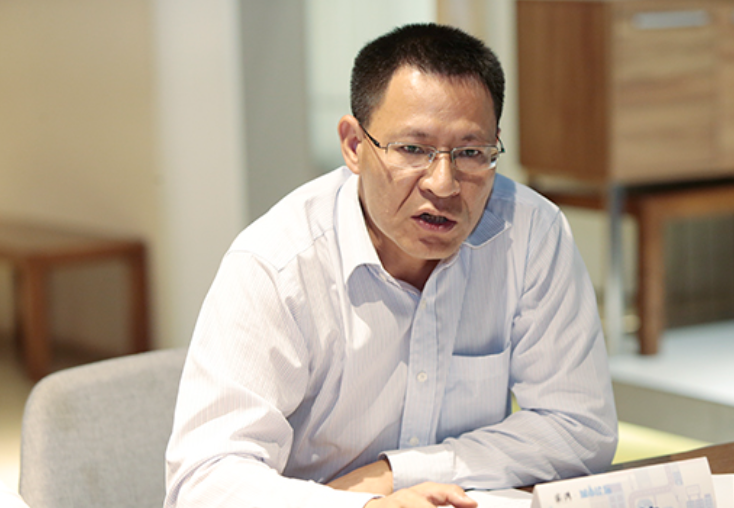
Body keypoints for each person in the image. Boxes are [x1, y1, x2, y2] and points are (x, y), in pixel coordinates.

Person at [164, 23, 617, 508]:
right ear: (354, 145)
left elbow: (580, 426)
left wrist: (393, 476)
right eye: (412, 149)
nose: (443, 184)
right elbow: (205, 482)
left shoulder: (529, 233)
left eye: (470, 153)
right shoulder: (277, 264)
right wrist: (363, 506)